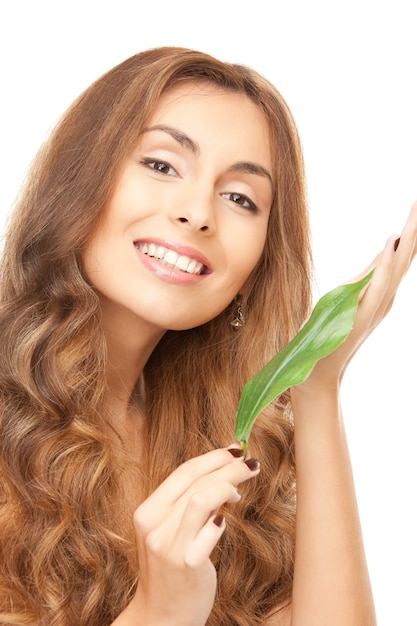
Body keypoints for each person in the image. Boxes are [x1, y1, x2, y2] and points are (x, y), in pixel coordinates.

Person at [0, 46, 415, 626]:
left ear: (252, 273)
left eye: (241, 198)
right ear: (77, 182)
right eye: (162, 165)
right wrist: (161, 611)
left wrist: (316, 381)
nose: (198, 213)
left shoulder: (219, 446)